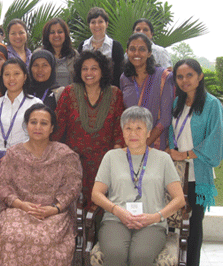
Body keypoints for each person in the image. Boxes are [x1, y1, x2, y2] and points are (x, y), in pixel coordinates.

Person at [0, 103, 82, 265]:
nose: (38, 127)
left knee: (45, 239)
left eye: (44, 123)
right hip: (18, 209)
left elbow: (72, 187)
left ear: (52, 128)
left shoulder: (64, 155)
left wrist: (54, 209)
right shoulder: (14, 154)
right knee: (10, 235)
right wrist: (22, 205)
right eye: (33, 122)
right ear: (26, 125)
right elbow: (2, 187)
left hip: (54, 213)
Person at [92, 106, 186, 266]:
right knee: (115, 254)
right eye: (128, 128)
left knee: (140, 257)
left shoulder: (163, 159)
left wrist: (156, 216)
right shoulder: (111, 157)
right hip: (115, 220)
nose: (133, 133)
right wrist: (117, 211)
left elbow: (179, 199)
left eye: (139, 128)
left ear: (149, 132)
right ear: (122, 132)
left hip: (152, 223)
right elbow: (96, 194)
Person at [53, 50, 124, 209]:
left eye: (94, 68)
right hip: (73, 163)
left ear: (102, 70)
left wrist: (116, 162)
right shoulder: (69, 92)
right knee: (73, 209)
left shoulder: (115, 94)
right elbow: (57, 127)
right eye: (85, 68)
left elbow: (119, 131)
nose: (89, 73)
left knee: (101, 210)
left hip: (105, 165)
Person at [168, 59, 223, 266]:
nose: (184, 80)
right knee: (173, 224)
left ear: (200, 76)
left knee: (194, 225)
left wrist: (187, 154)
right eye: (180, 77)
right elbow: (171, 131)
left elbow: (216, 138)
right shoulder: (176, 102)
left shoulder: (211, 104)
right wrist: (172, 149)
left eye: (189, 75)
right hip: (176, 174)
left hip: (198, 174)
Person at [0, 58, 42, 182]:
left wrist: (17, 155)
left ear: (25, 76)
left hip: (27, 159)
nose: (11, 79)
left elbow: (39, 137)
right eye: (7, 74)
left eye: (16, 74)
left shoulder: (35, 104)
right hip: (0, 158)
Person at [120, 33, 175, 151]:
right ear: (127, 52)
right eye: (132, 49)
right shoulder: (125, 78)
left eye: (142, 49)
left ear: (149, 53)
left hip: (156, 144)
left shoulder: (163, 77)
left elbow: (165, 119)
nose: (136, 53)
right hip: (132, 142)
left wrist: (143, 145)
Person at [78, 7, 124, 88]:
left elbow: (119, 74)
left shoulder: (116, 47)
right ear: (89, 25)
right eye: (93, 22)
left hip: (109, 91)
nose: (97, 25)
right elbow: (79, 72)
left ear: (106, 24)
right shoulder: (83, 46)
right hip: (87, 92)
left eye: (100, 21)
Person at [39, 18, 79, 87]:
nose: (56, 35)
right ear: (47, 35)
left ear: (65, 34)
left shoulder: (74, 55)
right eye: (52, 32)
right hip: (46, 97)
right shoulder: (39, 54)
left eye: (60, 32)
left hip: (71, 96)